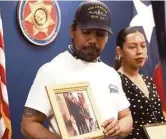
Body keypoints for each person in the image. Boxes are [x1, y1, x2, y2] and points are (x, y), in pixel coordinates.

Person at [21, 1, 133, 139]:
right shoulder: (51, 71)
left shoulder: (111, 74)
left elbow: (126, 117)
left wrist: (119, 127)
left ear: (107, 37)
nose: (93, 40)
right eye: (86, 32)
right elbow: (29, 124)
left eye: (100, 34)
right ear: (72, 31)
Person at [114, 26, 166, 139]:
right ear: (120, 51)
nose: (140, 51)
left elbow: (160, 118)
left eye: (143, 46)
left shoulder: (148, 80)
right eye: (132, 47)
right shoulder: (114, 80)